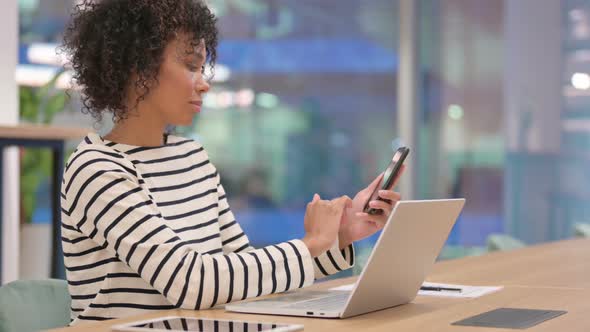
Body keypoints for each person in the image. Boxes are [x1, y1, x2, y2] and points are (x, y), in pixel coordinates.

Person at [60, 0, 402, 325]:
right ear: (138, 67)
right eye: (191, 65)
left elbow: (240, 275)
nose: (204, 83)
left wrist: (338, 238)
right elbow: (192, 283)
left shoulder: (192, 158)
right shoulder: (96, 169)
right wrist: (310, 244)